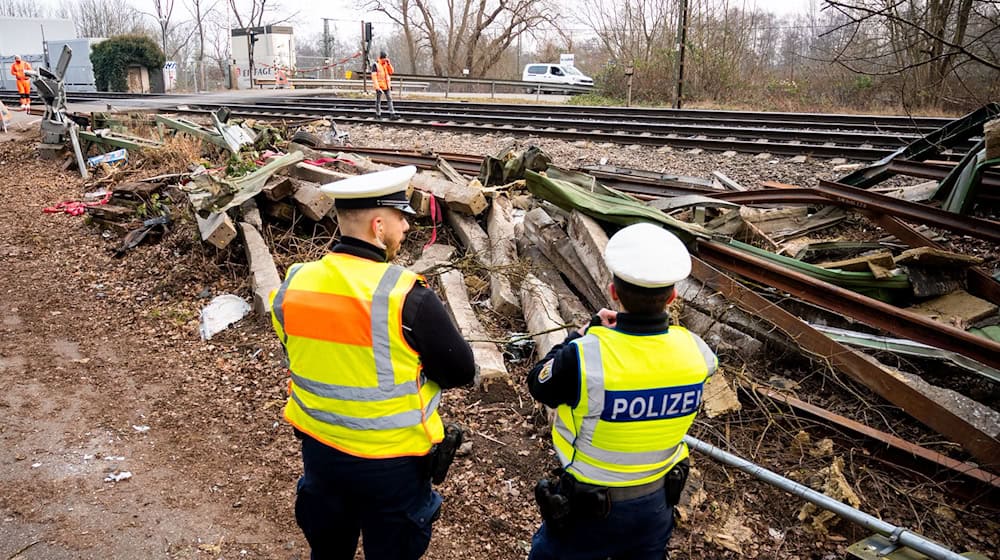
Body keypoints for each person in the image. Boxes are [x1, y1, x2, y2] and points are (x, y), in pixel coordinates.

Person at [269, 165, 476, 560]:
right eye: (402, 219)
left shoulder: (293, 283)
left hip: (321, 455)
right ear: (378, 226)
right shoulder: (405, 295)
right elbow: (460, 371)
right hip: (392, 466)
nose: (407, 228)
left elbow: (296, 351)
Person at [526, 222, 718, 560]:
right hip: (656, 506)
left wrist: (582, 334)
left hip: (587, 511)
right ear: (672, 297)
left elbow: (539, 384)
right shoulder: (699, 353)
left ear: (613, 292)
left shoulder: (584, 356)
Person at [372, 50, 398, 120]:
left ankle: (392, 114)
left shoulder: (386, 64)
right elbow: (374, 77)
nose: (386, 59)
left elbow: (391, 72)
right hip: (379, 86)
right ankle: (378, 115)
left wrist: (389, 64)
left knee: (390, 99)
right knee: (378, 101)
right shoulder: (376, 65)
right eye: (385, 58)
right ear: (382, 58)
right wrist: (377, 88)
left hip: (387, 85)